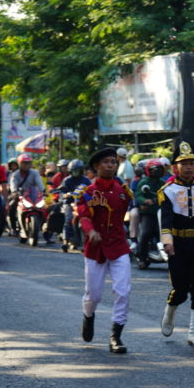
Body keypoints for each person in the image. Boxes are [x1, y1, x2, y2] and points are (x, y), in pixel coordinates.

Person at [77, 147, 134, 353]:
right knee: (94, 294)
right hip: (95, 248)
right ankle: (88, 316)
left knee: (123, 291)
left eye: (113, 162)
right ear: (96, 166)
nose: (110, 165)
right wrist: (90, 231)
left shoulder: (124, 192)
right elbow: (83, 216)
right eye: (106, 162)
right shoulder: (86, 192)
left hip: (118, 246)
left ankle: (115, 336)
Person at [157, 142, 194, 347]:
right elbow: (166, 219)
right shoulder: (167, 191)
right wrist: (167, 242)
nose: (188, 167)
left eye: (192, 163)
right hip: (177, 243)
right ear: (175, 167)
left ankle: (193, 331)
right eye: (184, 163)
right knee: (180, 288)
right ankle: (170, 309)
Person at [134, 159, 165, 269]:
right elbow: (138, 195)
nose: (157, 171)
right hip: (148, 213)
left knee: (163, 233)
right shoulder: (144, 182)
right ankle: (142, 258)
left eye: (159, 169)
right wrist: (145, 201)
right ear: (148, 170)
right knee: (146, 233)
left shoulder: (162, 183)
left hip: (161, 213)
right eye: (154, 169)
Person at [9, 154, 46, 244]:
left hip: (32, 196)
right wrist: (14, 192)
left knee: (44, 208)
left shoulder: (35, 173)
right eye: (24, 163)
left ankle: (44, 229)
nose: (26, 165)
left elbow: (39, 183)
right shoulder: (15, 174)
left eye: (28, 163)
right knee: (11, 207)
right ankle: (13, 228)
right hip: (20, 196)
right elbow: (13, 185)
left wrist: (43, 191)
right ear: (19, 164)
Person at [56, 159, 91, 250]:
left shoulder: (86, 180)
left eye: (77, 170)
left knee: (87, 220)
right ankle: (65, 242)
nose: (76, 173)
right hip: (70, 203)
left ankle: (86, 242)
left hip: (83, 204)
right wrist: (65, 195)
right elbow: (61, 192)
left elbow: (92, 191)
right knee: (68, 220)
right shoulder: (67, 180)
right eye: (74, 171)